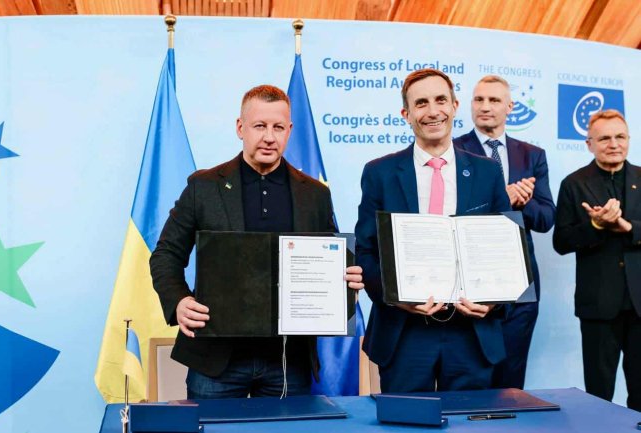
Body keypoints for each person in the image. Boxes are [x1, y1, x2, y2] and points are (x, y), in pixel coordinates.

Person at [149, 84, 364, 399]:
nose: (269, 137)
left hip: (289, 361)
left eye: (278, 127)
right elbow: (165, 255)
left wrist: (346, 278)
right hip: (216, 360)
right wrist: (179, 301)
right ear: (241, 128)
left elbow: (330, 261)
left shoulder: (315, 194)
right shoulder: (203, 187)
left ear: (289, 131)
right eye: (260, 126)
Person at [355, 68, 511, 392]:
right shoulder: (379, 173)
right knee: (405, 419)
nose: (432, 111)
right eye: (421, 103)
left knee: (469, 420)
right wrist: (396, 299)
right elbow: (366, 251)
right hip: (405, 332)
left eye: (440, 100)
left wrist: (493, 301)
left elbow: (506, 249)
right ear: (406, 114)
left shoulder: (488, 172)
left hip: (471, 333)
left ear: (454, 106)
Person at [454, 75, 556, 389]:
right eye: (479, 99)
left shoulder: (532, 155)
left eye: (494, 100)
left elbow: (546, 218)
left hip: (520, 284)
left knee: (512, 382)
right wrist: (502, 198)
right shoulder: (453, 149)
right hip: (469, 281)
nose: (485, 107)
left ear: (510, 107)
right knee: (470, 379)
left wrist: (522, 202)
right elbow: (451, 214)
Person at [553, 109, 641, 411]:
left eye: (620, 137)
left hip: (640, 305)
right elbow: (561, 242)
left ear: (629, 139)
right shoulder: (574, 183)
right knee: (598, 396)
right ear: (589, 144)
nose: (613, 144)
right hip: (598, 306)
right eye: (604, 138)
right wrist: (596, 225)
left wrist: (627, 227)